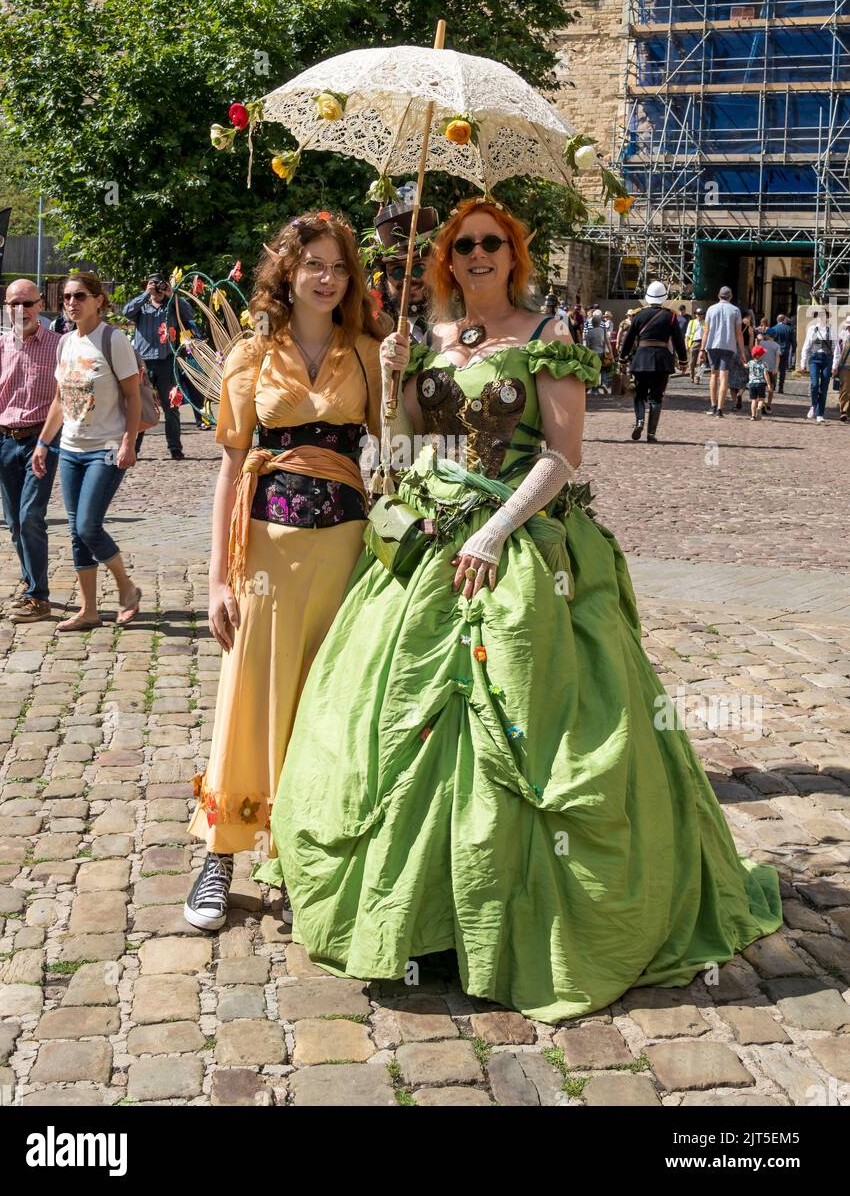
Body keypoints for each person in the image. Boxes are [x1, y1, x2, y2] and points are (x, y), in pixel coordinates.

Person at [254, 196, 782, 1024]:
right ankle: (416, 920)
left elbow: (565, 456)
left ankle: (501, 927)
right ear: (445, 259)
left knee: (529, 727)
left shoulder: (546, 340)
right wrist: (394, 384)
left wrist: (496, 532)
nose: (475, 254)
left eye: (491, 243)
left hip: (518, 545)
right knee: (381, 720)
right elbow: (402, 449)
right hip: (424, 542)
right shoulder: (424, 339)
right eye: (461, 244)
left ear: (515, 253)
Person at [183, 210, 384, 931]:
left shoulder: (368, 354)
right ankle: (220, 855)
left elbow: (396, 451)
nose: (328, 278)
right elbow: (231, 469)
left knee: (325, 706)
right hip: (264, 549)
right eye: (314, 265)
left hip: (346, 553)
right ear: (288, 273)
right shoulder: (250, 356)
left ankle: (303, 856)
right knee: (249, 697)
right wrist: (216, 581)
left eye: (339, 267)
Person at [30, 272, 142, 631]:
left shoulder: (113, 339)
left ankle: (126, 587)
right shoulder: (65, 344)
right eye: (66, 297)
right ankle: (89, 610)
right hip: (71, 449)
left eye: (80, 296)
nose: (72, 303)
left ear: (98, 300)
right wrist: (44, 443)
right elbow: (61, 401)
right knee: (77, 533)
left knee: (88, 525)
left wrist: (128, 442)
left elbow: (133, 396)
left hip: (105, 449)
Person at [0, 279, 63, 623]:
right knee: (13, 523)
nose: (21, 310)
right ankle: (32, 584)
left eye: (27, 303)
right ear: (6, 307)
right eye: (14, 304)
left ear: (40, 305)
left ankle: (38, 597)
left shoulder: (58, 346)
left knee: (30, 516)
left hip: (42, 440)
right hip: (6, 441)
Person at [123, 274, 198, 459]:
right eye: (152, 284)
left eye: (159, 284)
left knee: (171, 406)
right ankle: (134, 448)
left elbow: (190, 314)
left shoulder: (171, 305)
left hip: (166, 361)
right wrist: (145, 295)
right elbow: (126, 312)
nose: (156, 288)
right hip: (143, 362)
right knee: (139, 406)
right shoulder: (142, 305)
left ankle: (175, 448)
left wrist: (172, 294)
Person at [619, 279, 688, 442]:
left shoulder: (638, 315)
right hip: (662, 361)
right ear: (664, 297)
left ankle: (640, 421)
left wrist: (622, 358)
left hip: (642, 359)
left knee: (640, 394)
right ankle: (651, 434)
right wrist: (683, 361)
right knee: (657, 397)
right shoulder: (670, 316)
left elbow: (628, 339)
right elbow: (679, 340)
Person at [370, 185, 438, 342]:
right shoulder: (374, 332)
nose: (408, 279)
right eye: (397, 271)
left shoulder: (465, 315)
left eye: (419, 268)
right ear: (385, 277)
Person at [699, 286, 746, 418]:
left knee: (714, 375)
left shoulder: (711, 309)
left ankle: (713, 405)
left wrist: (702, 349)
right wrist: (742, 352)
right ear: (730, 297)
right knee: (724, 376)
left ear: (718, 296)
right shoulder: (735, 310)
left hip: (712, 345)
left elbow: (706, 331)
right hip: (728, 345)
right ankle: (720, 408)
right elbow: (738, 334)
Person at [800, 307, 834, 423]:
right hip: (814, 358)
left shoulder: (831, 329)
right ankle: (813, 406)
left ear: (826, 316)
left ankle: (820, 414)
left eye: (823, 314)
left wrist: (834, 364)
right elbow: (806, 346)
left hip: (827, 359)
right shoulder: (812, 329)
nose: (821, 316)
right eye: (819, 315)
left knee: (824, 388)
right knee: (814, 385)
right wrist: (802, 362)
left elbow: (836, 349)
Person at [728, 314, 756, 412]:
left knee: (731, 379)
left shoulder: (735, 327)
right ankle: (740, 393)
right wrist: (753, 357)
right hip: (745, 353)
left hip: (734, 351)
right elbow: (751, 345)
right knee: (744, 377)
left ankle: (735, 403)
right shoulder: (751, 329)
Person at [584, 309, 613, 394]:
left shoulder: (589, 333)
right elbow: (606, 342)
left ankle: (594, 388)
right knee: (603, 369)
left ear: (592, 323)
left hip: (592, 353)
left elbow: (588, 345)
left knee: (594, 370)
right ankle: (603, 383)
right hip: (601, 352)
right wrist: (609, 352)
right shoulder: (602, 331)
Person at [765, 314, 795, 393]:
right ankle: (781, 387)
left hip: (774, 351)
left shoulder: (773, 328)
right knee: (782, 370)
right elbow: (793, 341)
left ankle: (773, 385)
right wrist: (794, 350)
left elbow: (767, 339)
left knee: (774, 368)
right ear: (784, 319)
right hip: (784, 351)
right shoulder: (789, 329)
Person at [755, 330, 780, 414]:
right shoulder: (777, 345)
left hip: (761, 368)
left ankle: (760, 404)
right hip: (771, 369)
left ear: (768, 335)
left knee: (760, 387)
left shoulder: (762, 343)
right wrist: (776, 368)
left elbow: (757, 353)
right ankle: (768, 405)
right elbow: (777, 357)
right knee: (771, 388)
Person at [747, 344, 770, 420]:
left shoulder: (750, 363)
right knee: (761, 399)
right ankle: (759, 408)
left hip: (752, 383)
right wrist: (769, 384)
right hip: (761, 383)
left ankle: (753, 416)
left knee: (753, 400)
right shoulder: (764, 364)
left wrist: (742, 360)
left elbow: (745, 365)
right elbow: (766, 374)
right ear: (759, 356)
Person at [833, 316, 850, 422]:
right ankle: (843, 411)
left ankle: (847, 411)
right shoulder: (842, 336)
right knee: (845, 389)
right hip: (845, 366)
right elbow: (837, 352)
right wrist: (834, 366)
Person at [686, 307, 705, 382]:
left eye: (701, 314)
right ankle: (692, 376)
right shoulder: (692, 322)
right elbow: (687, 334)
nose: (699, 315)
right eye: (698, 314)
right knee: (691, 362)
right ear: (695, 315)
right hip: (694, 342)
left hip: (703, 343)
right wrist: (686, 344)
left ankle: (698, 378)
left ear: (703, 315)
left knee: (701, 362)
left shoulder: (706, 322)